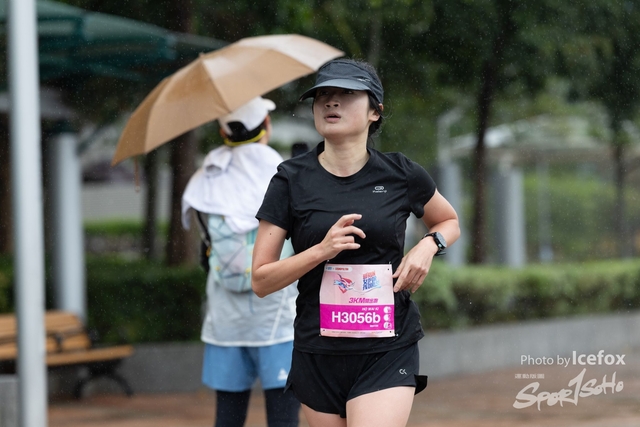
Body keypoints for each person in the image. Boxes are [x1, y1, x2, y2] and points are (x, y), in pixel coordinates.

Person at [252, 59, 461, 427]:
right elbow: (261, 280)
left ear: (374, 112)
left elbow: (449, 221)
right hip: (317, 349)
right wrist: (322, 250)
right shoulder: (290, 179)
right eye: (322, 95)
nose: (331, 102)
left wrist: (429, 245)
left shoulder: (400, 173)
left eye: (347, 94)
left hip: (387, 347)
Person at [182, 96, 300, 427]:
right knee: (283, 416)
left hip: (226, 318)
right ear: (266, 125)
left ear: (224, 132)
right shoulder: (285, 175)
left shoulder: (205, 176)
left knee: (228, 417)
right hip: (278, 313)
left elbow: (204, 238)